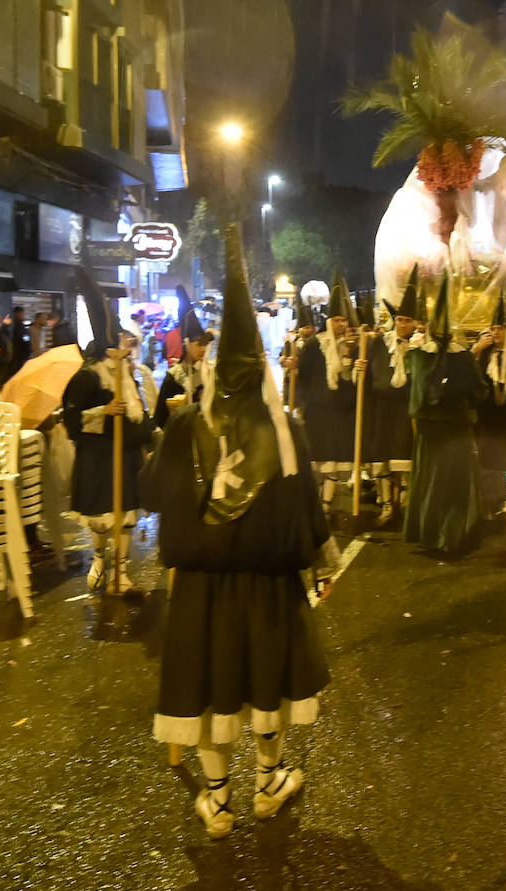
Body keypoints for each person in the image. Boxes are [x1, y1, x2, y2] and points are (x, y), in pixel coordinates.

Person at [143, 225, 336, 840]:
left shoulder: (182, 429)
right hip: (267, 587)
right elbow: (307, 511)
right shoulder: (287, 434)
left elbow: (152, 496)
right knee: (264, 687)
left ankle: (218, 799)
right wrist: (323, 561)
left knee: (211, 691)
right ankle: (268, 782)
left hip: (201, 587)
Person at [62, 282, 153, 595]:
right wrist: (103, 411)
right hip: (99, 457)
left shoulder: (127, 373)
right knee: (102, 518)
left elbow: (140, 412)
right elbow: (71, 419)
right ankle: (100, 559)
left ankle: (122, 573)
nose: (127, 344)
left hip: (126, 456)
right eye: (121, 339)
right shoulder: (87, 376)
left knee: (126, 516)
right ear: (108, 343)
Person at [403, 273, 488, 553]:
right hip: (457, 433)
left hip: (429, 436)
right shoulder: (462, 357)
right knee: (456, 484)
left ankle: (429, 534)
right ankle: (451, 537)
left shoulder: (416, 357)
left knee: (429, 482)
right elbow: (480, 392)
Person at [294, 272, 360, 516]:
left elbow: (355, 383)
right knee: (315, 461)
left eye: (344, 320)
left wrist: (357, 366)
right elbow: (302, 376)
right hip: (316, 411)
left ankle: (327, 505)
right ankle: (313, 502)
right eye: (337, 320)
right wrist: (300, 398)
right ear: (329, 321)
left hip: (339, 412)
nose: (342, 324)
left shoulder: (353, 346)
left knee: (333, 459)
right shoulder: (314, 345)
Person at [364, 268, 419, 526]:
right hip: (381, 409)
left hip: (407, 409)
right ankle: (387, 505)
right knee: (382, 457)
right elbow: (367, 375)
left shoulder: (421, 347)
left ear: (415, 323)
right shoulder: (379, 343)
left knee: (404, 457)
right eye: (400, 320)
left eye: (408, 320)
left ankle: (407, 507)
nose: (402, 325)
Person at [473, 289, 506, 521]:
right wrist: (477, 350)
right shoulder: (485, 352)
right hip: (488, 418)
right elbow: (472, 378)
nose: (496, 332)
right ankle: (491, 500)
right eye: (494, 328)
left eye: (501, 328)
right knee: (488, 461)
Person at [154, 291, 214, 428]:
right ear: (187, 345)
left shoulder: (207, 373)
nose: (203, 349)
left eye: (205, 345)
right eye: (199, 344)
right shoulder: (173, 377)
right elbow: (160, 418)